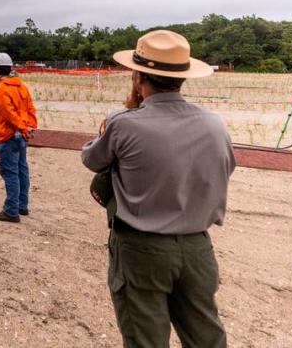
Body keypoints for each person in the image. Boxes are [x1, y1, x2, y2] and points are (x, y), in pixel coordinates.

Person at [81, 30, 235, 348]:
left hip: (141, 248)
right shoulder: (214, 124)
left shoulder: (123, 123)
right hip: (197, 247)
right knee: (207, 337)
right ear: (182, 77)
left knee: (145, 339)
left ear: (138, 77)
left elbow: (92, 160)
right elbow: (226, 168)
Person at [0, 53, 38, 223]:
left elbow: (9, 115)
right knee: (22, 170)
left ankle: (11, 210)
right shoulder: (21, 86)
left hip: (9, 136)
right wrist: (30, 127)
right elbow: (30, 108)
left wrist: (23, 127)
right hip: (22, 135)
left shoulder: (1, 89)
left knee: (10, 173)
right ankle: (22, 205)